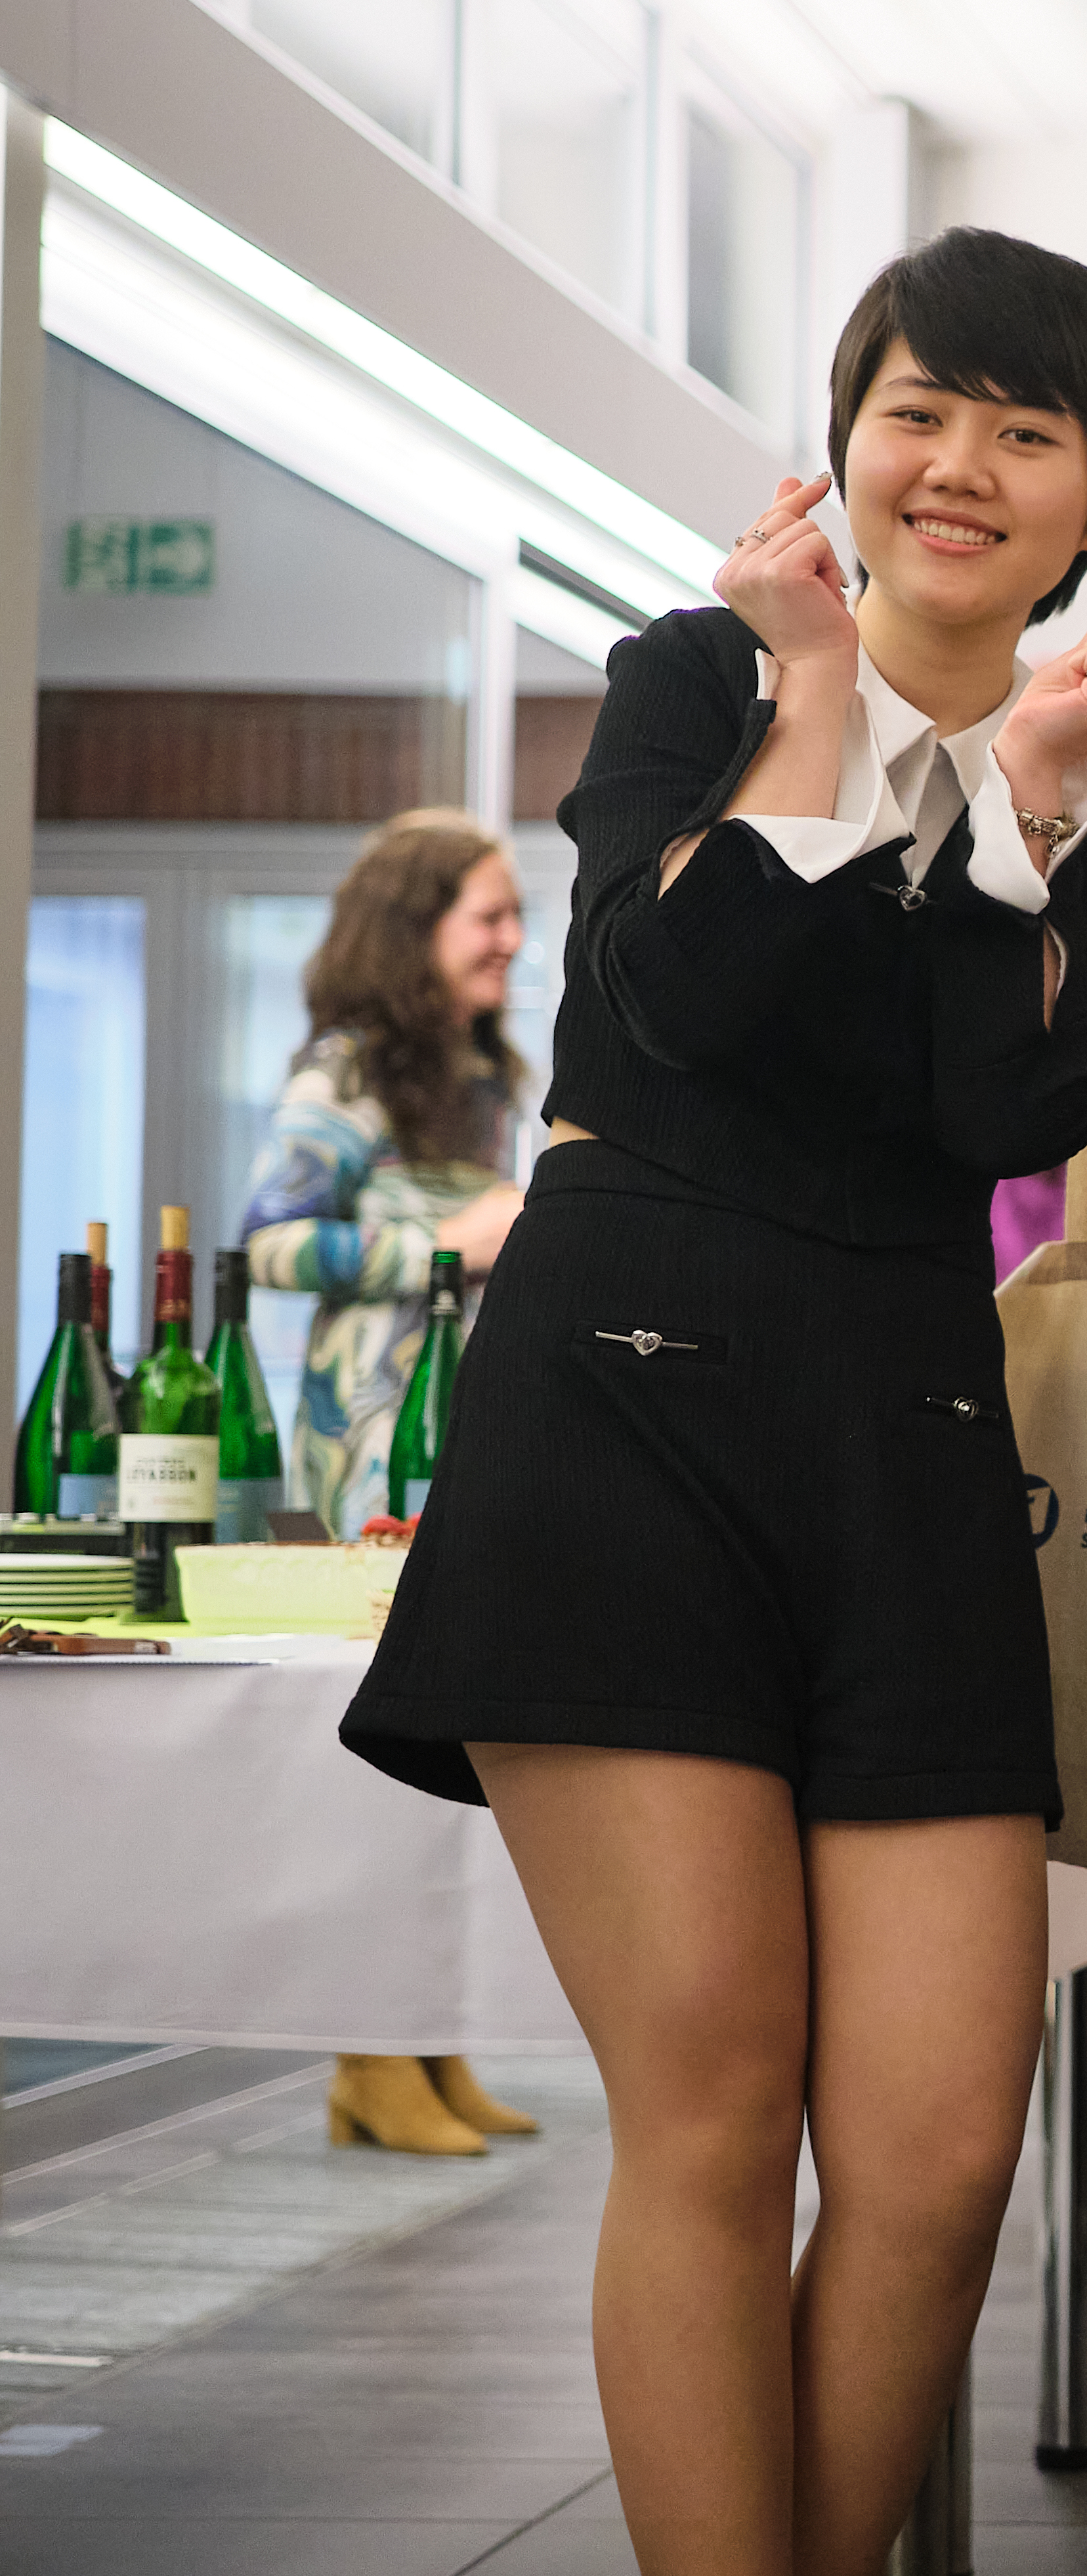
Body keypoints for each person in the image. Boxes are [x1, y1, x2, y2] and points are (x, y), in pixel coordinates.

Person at [340, 227, 1087, 2576]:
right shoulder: (698, 673)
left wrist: (1013, 782)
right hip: (627, 1411)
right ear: (846, 433)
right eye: (925, 407)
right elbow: (678, 995)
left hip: (910, 1441)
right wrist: (815, 695)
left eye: (1029, 429)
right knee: (708, 2114)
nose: (963, 464)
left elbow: (1000, 1099)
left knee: (933, 2155)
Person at [237, 806, 541, 2162]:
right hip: (371, 1443)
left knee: (444, 1736)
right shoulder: (346, 1066)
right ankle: (369, 2051)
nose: (512, 940)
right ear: (413, 928)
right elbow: (268, 1246)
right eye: (489, 913)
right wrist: (454, 1240)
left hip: (458, 1429)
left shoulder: (478, 1070)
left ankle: (424, 2038)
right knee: (385, 1746)